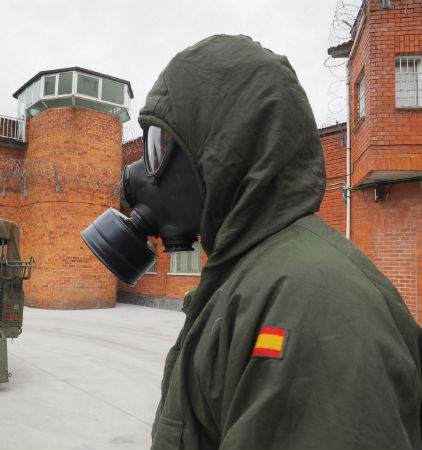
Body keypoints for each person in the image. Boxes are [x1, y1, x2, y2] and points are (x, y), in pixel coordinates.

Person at [83, 35, 422, 449]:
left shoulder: (308, 303)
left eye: (161, 145)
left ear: (226, 147)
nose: (140, 175)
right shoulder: (246, 279)